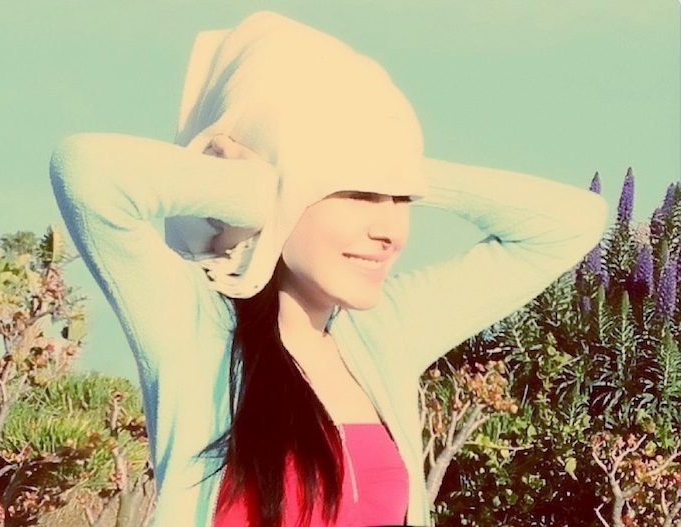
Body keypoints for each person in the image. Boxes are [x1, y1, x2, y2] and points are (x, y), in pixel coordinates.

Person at [48, 10, 609, 527]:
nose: (390, 230)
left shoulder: (383, 333)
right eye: (358, 192)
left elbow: (572, 222)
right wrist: (260, 188)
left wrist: (399, 165)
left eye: (401, 199)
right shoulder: (195, 331)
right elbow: (88, 173)